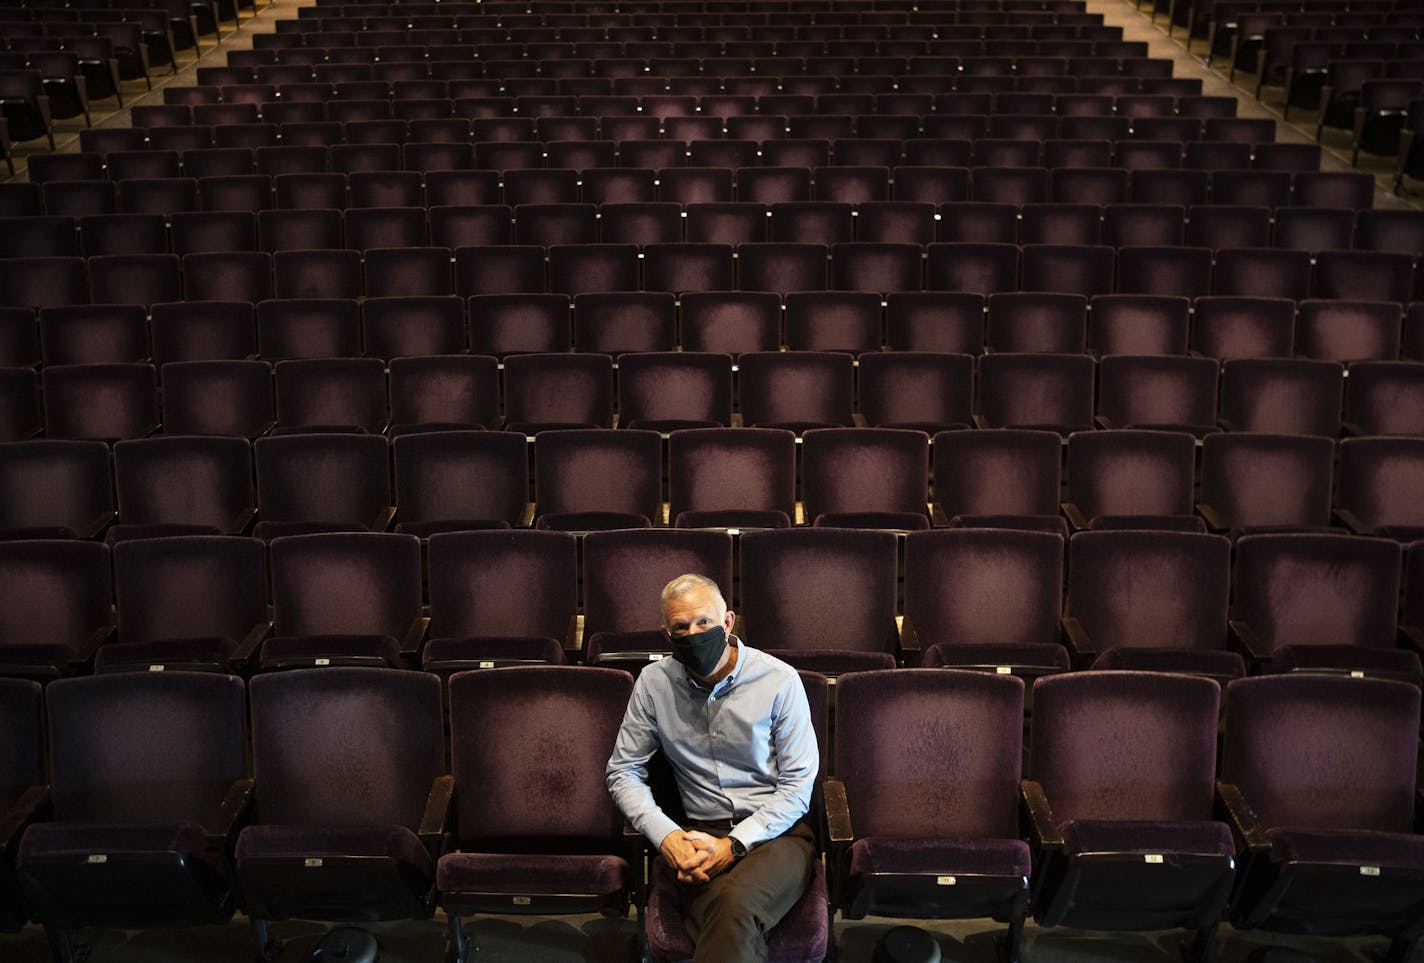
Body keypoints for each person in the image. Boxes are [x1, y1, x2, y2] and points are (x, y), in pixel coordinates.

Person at [605, 572, 819, 963]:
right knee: (730, 910)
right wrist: (667, 837)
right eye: (681, 627)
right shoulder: (654, 684)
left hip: (776, 833)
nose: (694, 633)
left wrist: (734, 846)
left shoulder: (778, 680)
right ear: (667, 637)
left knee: (733, 904)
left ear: (728, 622)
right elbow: (623, 772)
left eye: (704, 622)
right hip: (696, 836)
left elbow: (798, 785)